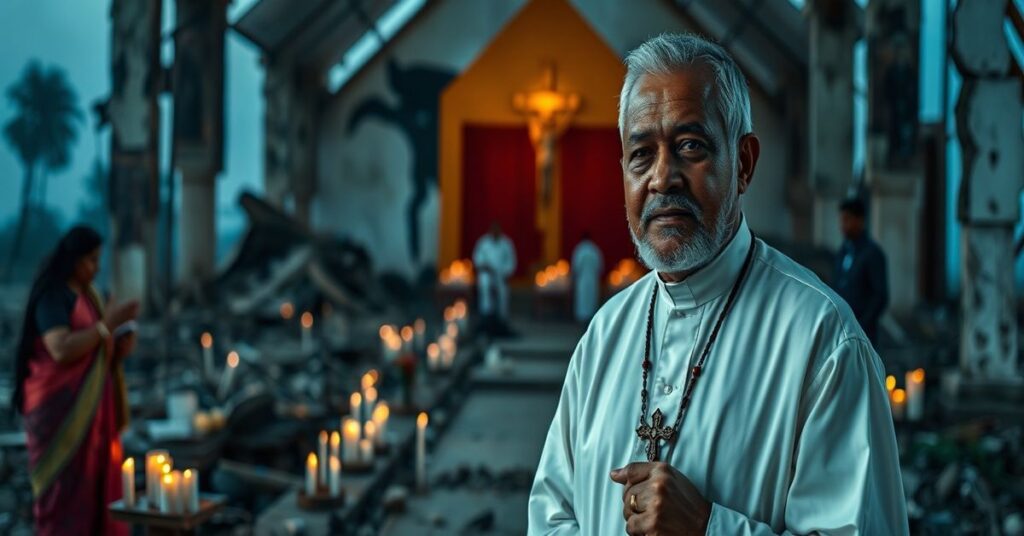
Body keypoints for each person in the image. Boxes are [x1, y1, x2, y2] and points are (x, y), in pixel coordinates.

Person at [528, 33, 907, 535]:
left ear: (744, 163)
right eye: (641, 153)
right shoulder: (602, 339)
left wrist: (709, 528)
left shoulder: (824, 346)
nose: (663, 178)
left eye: (690, 147)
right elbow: (551, 518)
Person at [11, 226, 139, 535]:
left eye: (99, 260)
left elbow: (95, 355)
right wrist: (106, 327)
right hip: (57, 412)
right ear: (73, 259)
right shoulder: (53, 297)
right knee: (64, 495)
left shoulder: (92, 296)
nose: (96, 268)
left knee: (93, 490)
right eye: (91, 260)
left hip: (93, 415)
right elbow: (61, 349)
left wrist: (118, 349)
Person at [833, 197, 889, 344]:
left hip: (865, 334)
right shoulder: (843, 251)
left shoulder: (872, 253)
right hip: (842, 332)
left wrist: (861, 325)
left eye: (847, 219)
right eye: (841, 220)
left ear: (860, 220)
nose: (843, 225)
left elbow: (880, 295)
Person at [472, 221, 517, 329]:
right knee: (485, 285)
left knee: (503, 291)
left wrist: (507, 272)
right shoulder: (483, 242)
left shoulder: (506, 243)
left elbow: (511, 260)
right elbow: (477, 258)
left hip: (501, 274)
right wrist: (484, 266)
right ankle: (486, 315)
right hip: (486, 273)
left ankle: (502, 317)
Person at [571, 232, 603, 323]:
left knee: (582, 301)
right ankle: (591, 321)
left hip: (582, 280)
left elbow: (576, 267)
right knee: (591, 300)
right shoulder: (595, 250)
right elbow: (600, 267)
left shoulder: (579, 250)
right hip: (593, 281)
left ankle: (582, 320)